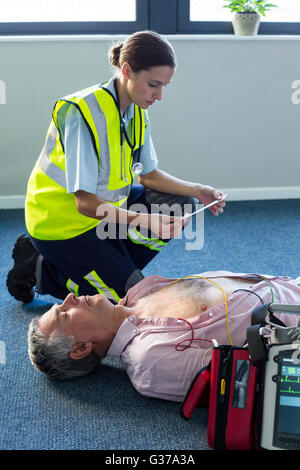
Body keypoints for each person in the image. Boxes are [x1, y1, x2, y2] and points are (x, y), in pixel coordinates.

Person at [6, 30, 226, 306]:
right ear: (126, 70)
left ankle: (109, 265)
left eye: (163, 87)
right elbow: (84, 203)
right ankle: (41, 269)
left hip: (104, 217)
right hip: (61, 225)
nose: (159, 96)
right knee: (132, 300)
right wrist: (145, 221)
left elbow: (148, 175)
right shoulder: (82, 113)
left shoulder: (135, 110)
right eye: (153, 85)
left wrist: (198, 190)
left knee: (181, 203)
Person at [28, 270, 300, 402]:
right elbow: (249, 380)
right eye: (64, 314)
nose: (69, 297)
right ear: (80, 349)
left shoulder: (136, 294)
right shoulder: (150, 360)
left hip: (288, 283)